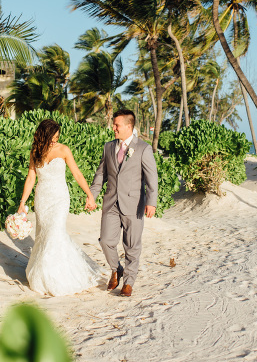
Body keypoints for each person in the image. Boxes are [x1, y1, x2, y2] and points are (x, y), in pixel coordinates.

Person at [17, 119, 105, 296]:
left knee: (54, 233)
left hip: (60, 199)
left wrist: (89, 194)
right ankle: (43, 276)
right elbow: (31, 178)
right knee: (43, 235)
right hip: (42, 199)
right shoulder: (35, 151)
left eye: (57, 137)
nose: (54, 141)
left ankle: (56, 277)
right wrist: (22, 203)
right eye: (52, 137)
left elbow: (77, 173)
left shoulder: (64, 150)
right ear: (44, 135)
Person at [86, 109, 158, 297]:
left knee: (132, 245)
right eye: (114, 124)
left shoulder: (143, 148)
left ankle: (128, 282)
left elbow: (151, 178)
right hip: (111, 202)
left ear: (128, 126)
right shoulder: (108, 147)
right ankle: (116, 268)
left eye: (116, 125)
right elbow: (101, 174)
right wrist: (92, 194)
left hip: (134, 205)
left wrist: (151, 202)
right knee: (106, 241)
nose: (113, 128)